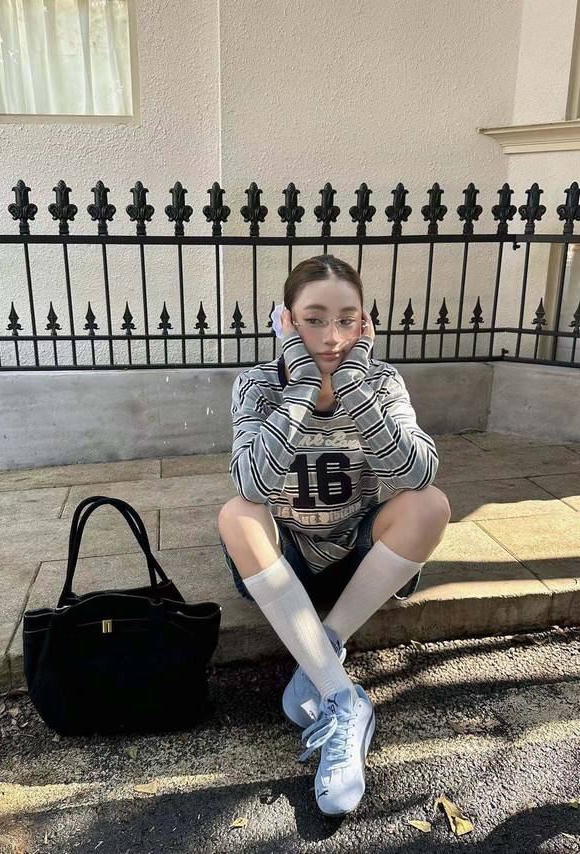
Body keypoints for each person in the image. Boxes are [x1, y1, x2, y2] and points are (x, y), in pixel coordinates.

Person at [217, 254, 451, 817]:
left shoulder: (382, 381)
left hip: (362, 561)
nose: (331, 337)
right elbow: (252, 481)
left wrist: (352, 385)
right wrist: (302, 385)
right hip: (289, 559)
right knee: (237, 514)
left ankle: (321, 654)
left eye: (346, 320)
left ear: (365, 323)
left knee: (430, 505)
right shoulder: (258, 385)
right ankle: (343, 697)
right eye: (314, 319)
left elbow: (417, 472)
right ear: (286, 321)